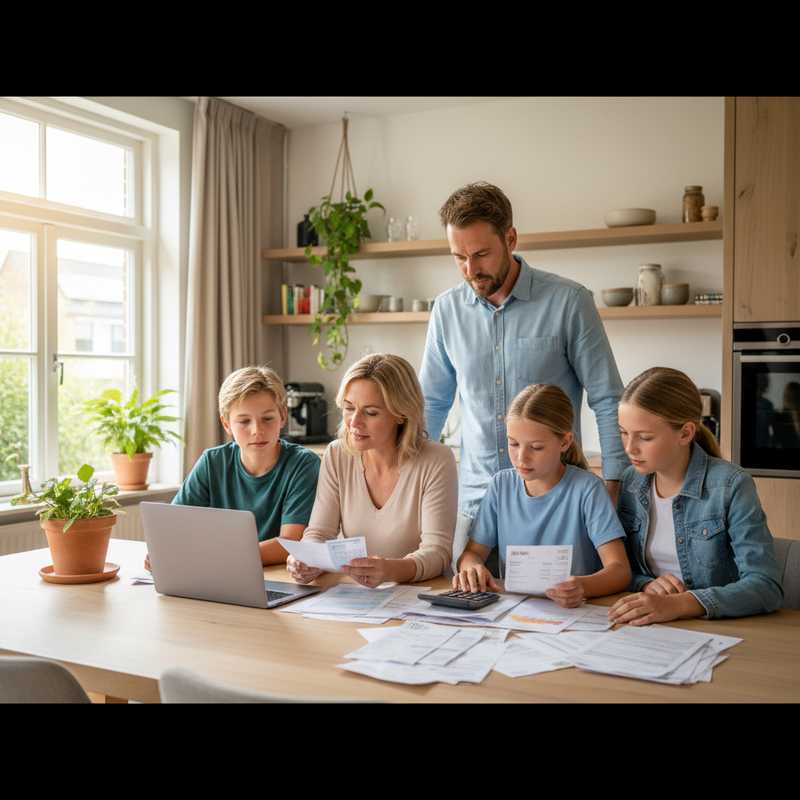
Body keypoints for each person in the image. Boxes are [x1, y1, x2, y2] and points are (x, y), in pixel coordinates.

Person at [420, 181, 628, 574]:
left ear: (511, 238)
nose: (470, 270)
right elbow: (431, 405)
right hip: (475, 509)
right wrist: (412, 485)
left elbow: (606, 397)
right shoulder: (447, 311)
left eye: (481, 254)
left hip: (557, 509)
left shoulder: (569, 302)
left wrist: (614, 485)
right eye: (458, 257)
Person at [609, 367, 783, 625]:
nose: (629, 448)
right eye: (624, 432)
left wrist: (679, 604)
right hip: (651, 628)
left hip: (719, 629)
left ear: (686, 433)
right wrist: (646, 585)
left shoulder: (731, 485)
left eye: (644, 437)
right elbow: (622, 570)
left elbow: (766, 586)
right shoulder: (629, 482)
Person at [287, 353, 458, 587]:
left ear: (401, 414)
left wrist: (391, 570)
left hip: (419, 597)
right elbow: (319, 532)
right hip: (356, 598)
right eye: (348, 408)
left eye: (370, 412)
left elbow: (438, 552)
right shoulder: (337, 454)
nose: (354, 423)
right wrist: (307, 559)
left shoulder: (437, 460)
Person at [454, 384, 631, 608]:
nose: (521, 458)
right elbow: (472, 553)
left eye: (536, 447)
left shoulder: (588, 489)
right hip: (515, 611)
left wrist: (583, 586)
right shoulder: (501, 485)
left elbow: (620, 570)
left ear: (565, 442)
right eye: (513, 443)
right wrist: (472, 567)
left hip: (573, 614)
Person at [145, 366, 321, 570]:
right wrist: (163, 550)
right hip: (219, 572)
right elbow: (174, 526)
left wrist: (217, 557)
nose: (257, 430)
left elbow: (290, 543)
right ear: (227, 424)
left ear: (282, 416)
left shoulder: (303, 465)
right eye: (244, 421)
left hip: (276, 576)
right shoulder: (212, 462)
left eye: (267, 418)